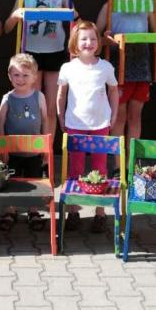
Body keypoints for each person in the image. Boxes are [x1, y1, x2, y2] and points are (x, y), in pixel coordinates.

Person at [5, 0, 75, 140]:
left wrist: (74, 15)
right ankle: (32, 149)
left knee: (51, 107)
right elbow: (7, 27)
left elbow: (76, 21)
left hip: (55, 51)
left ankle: (47, 152)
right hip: (30, 54)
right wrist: (16, 14)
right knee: (33, 105)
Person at [96, 0, 156, 173]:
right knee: (119, 116)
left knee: (135, 116)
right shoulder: (110, 6)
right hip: (118, 69)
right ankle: (117, 165)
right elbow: (96, 38)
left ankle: (131, 165)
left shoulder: (147, 6)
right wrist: (106, 39)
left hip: (141, 67)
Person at [56, 20, 119, 233]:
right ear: (75, 42)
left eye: (93, 38)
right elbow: (61, 94)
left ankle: (100, 213)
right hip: (75, 124)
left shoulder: (105, 67)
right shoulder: (68, 68)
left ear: (98, 42)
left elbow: (113, 91)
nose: (89, 42)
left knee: (100, 167)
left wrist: (114, 114)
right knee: (75, 168)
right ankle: (73, 211)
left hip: (100, 124)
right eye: (84, 39)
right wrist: (60, 117)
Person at [0, 53, 49, 231]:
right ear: (9, 76)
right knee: (13, 181)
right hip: (13, 152)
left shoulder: (39, 97)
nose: (20, 79)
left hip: (34, 151)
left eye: (25, 75)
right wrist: (2, 149)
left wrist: (46, 145)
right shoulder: (7, 98)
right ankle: (11, 210)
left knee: (34, 181)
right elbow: (1, 123)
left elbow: (45, 120)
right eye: (16, 75)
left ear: (34, 77)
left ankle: (33, 211)